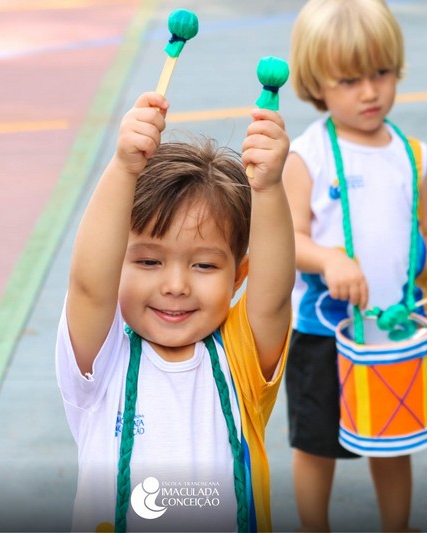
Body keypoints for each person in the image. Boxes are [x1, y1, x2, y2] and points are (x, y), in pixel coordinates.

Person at [55, 91, 294, 532]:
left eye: (204, 265)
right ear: (117, 265)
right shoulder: (102, 364)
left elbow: (276, 295)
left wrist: (269, 189)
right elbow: (88, 286)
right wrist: (123, 168)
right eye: (149, 261)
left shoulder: (239, 359)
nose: (176, 285)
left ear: (239, 276)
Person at [282, 0, 427, 531]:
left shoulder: (414, 154)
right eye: (348, 79)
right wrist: (327, 257)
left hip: (398, 326)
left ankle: (397, 525)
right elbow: (288, 241)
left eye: (381, 73)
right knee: (316, 444)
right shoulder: (307, 156)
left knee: (395, 440)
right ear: (317, 83)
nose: (369, 91)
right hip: (325, 332)